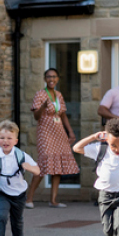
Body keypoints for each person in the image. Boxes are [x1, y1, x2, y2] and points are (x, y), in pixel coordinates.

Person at [26, 68, 79, 209]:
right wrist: (43, 106)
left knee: (58, 166)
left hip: (59, 131)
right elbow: (36, 117)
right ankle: (29, 199)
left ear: (58, 79)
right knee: (43, 163)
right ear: (45, 79)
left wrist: (70, 132)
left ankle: (53, 200)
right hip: (45, 130)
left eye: (54, 76)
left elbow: (62, 115)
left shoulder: (59, 95)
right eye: (49, 76)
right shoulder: (40, 94)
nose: (51, 79)